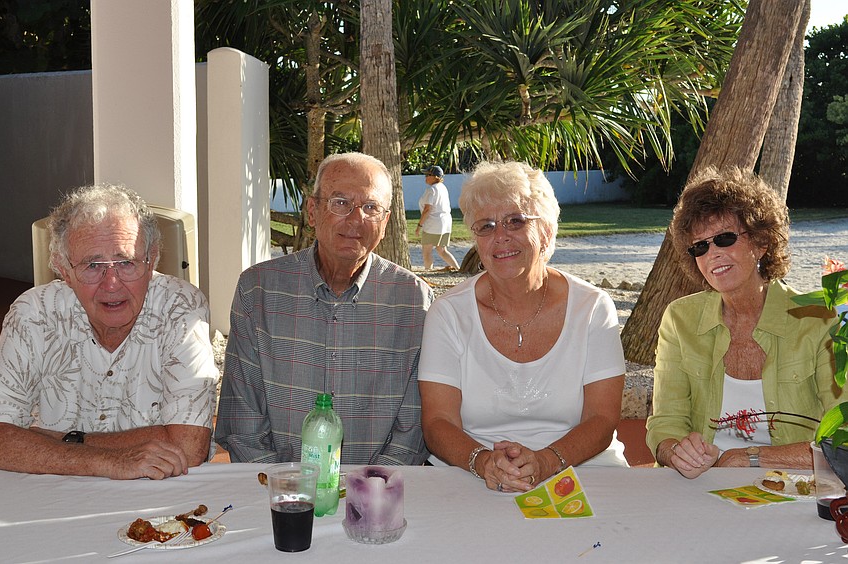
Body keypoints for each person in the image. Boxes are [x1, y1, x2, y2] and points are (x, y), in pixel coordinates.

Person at [418, 161, 627, 493]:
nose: (500, 237)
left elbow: (601, 420)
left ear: (545, 231)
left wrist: (546, 461)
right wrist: (484, 462)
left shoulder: (591, 307)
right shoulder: (448, 313)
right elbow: (437, 423)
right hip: (472, 473)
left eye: (515, 221)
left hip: (582, 468)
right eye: (485, 226)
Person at [215, 152, 433, 465]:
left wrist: (366, 491)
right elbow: (243, 423)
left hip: (377, 493)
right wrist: (288, 493)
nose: (356, 219)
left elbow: (411, 432)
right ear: (313, 210)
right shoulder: (258, 289)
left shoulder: (413, 301)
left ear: (385, 222)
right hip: (277, 494)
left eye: (371, 207)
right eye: (340, 202)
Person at [0, 184, 219, 480]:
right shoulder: (33, 315)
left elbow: (188, 446)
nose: (112, 283)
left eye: (126, 262)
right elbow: (2, 438)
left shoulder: (180, 308)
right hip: (55, 496)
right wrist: (112, 462)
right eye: (92, 265)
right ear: (63, 269)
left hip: (157, 500)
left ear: (151, 260)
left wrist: (58, 440)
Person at [646, 167, 841, 479]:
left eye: (725, 238)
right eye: (700, 246)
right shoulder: (680, 319)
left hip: (793, 491)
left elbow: (841, 439)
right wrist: (675, 451)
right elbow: (666, 422)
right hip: (701, 485)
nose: (712, 254)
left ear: (761, 242)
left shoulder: (820, 319)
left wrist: (749, 458)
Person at [415, 165, 460, 271]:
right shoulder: (442, 188)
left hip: (433, 223)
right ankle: (458, 269)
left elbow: (427, 209)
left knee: (427, 250)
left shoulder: (432, 189)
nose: (425, 177)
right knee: (442, 250)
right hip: (445, 223)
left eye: (428, 175)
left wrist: (419, 225)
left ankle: (428, 270)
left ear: (435, 177)